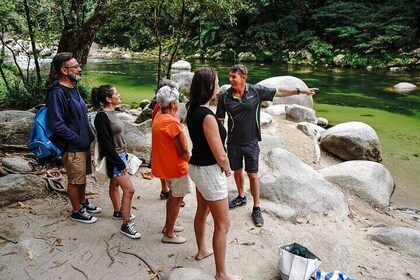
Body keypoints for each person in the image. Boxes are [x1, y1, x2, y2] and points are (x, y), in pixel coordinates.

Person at [216, 64, 318, 227]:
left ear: (243, 78)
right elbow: (220, 123)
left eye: (234, 77)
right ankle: (241, 197)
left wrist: (300, 91)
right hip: (234, 142)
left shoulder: (256, 91)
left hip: (251, 141)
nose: (230, 80)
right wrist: (220, 146)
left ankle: (256, 207)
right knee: (237, 171)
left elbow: (280, 92)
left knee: (253, 175)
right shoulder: (224, 97)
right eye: (229, 76)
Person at [187, 67, 242, 280]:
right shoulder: (207, 116)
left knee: (202, 211)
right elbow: (220, 154)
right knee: (223, 223)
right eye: (217, 82)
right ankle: (221, 274)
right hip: (209, 171)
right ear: (209, 86)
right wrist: (228, 168)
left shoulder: (192, 109)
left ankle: (202, 250)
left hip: (197, 167)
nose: (220, 86)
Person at [47, 52, 99, 224]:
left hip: (83, 143)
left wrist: (88, 137)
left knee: (82, 177)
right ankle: (76, 211)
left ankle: (83, 202)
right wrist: (76, 139)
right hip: (72, 146)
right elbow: (57, 124)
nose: (79, 69)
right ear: (64, 70)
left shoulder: (73, 88)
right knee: (75, 180)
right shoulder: (57, 93)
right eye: (75, 66)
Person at [91, 85, 141, 239]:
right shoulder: (102, 116)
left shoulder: (112, 113)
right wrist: (119, 163)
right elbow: (106, 144)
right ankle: (126, 225)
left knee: (115, 184)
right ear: (108, 99)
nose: (119, 95)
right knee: (129, 190)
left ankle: (118, 212)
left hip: (121, 154)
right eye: (116, 93)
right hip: (115, 158)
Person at [151, 85, 192, 244]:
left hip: (166, 166)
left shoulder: (159, 117)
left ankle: (168, 226)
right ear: (173, 104)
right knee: (176, 199)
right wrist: (190, 159)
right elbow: (182, 149)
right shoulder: (171, 122)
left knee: (172, 197)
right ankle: (169, 234)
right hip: (176, 167)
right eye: (177, 101)